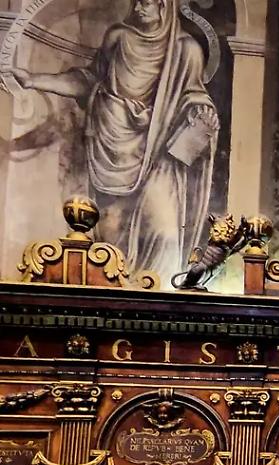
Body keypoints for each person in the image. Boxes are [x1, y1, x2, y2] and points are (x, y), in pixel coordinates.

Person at [4, 0, 219, 283]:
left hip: (158, 156)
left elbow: (194, 96)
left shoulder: (186, 49)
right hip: (107, 150)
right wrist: (33, 79)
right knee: (109, 237)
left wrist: (202, 115)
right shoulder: (118, 37)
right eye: (137, 2)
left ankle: (161, 302)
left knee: (164, 232)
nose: (139, 8)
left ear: (165, 6)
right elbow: (89, 81)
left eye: (147, 2)